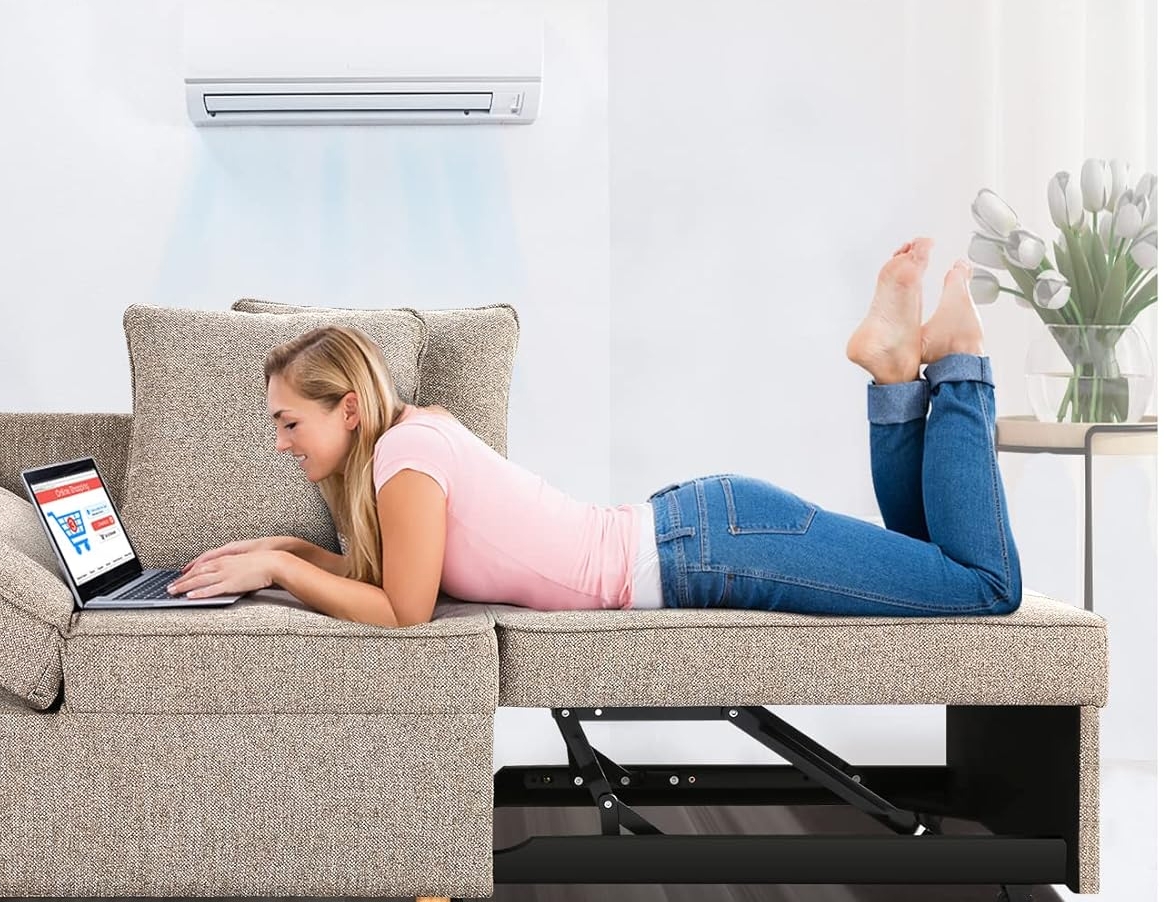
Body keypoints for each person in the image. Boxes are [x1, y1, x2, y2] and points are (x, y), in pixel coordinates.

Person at [166, 236, 1022, 625]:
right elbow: (378, 574)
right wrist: (287, 549)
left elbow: (402, 609)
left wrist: (280, 563)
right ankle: (895, 374)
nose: (279, 442)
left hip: (715, 546)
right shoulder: (402, 451)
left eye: (288, 421)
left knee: (983, 587)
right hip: (703, 534)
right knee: (935, 573)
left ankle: (956, 368)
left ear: (347, 407)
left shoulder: (406, 454)